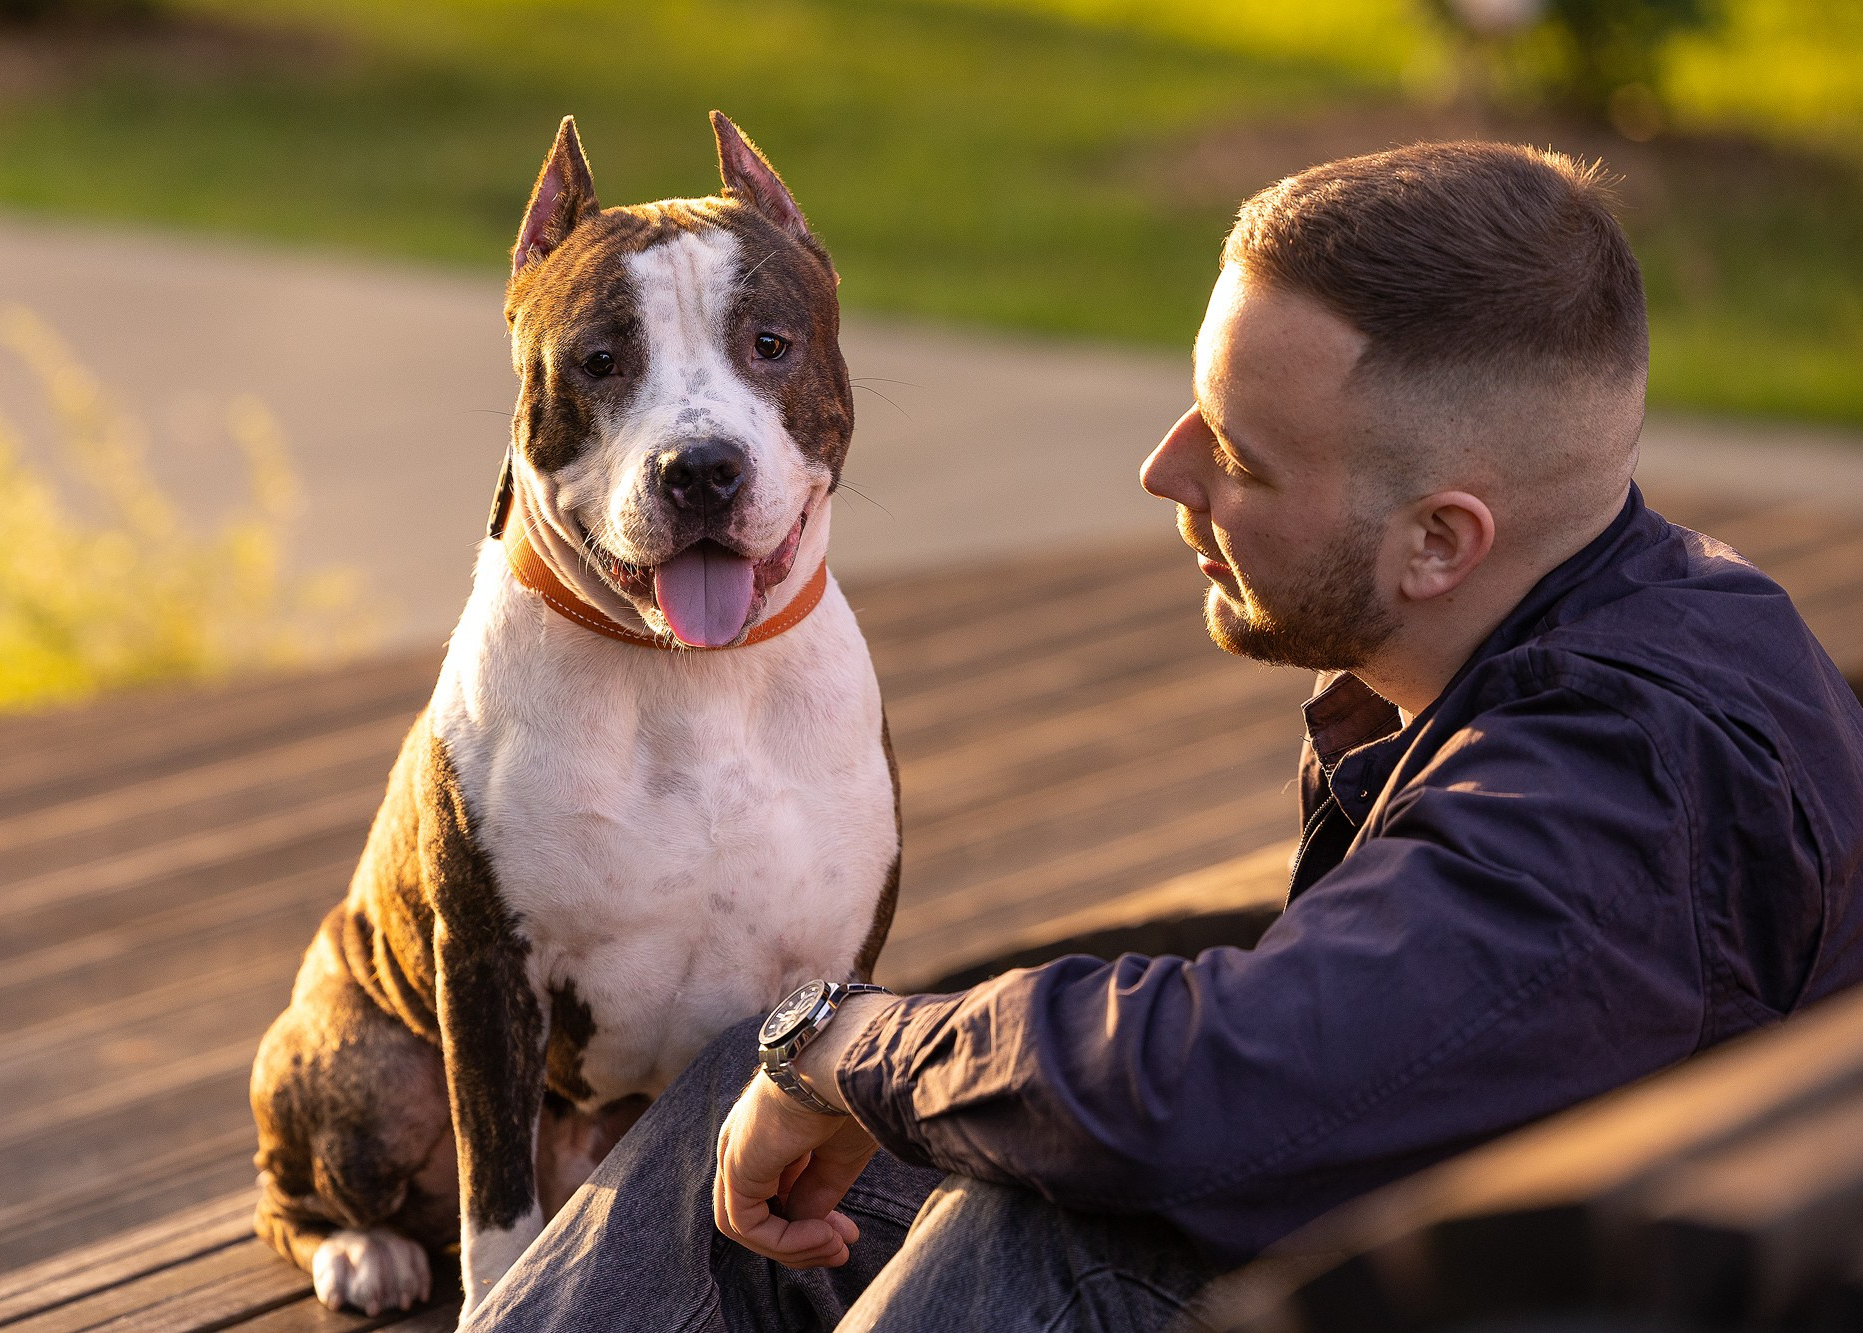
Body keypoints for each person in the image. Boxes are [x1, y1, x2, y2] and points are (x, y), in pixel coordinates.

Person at [465, 142, 1863, 1333]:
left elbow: (1226, 1088)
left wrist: (863, 1045)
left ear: (1441, 541)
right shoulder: (1657, 627)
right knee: (761, 1071)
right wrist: (842, 1047)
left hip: (1478, 1278)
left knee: (1025, 1227)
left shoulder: (1613, 793)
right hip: (1484, 1208)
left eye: (1238, 454)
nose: (1162, 468)